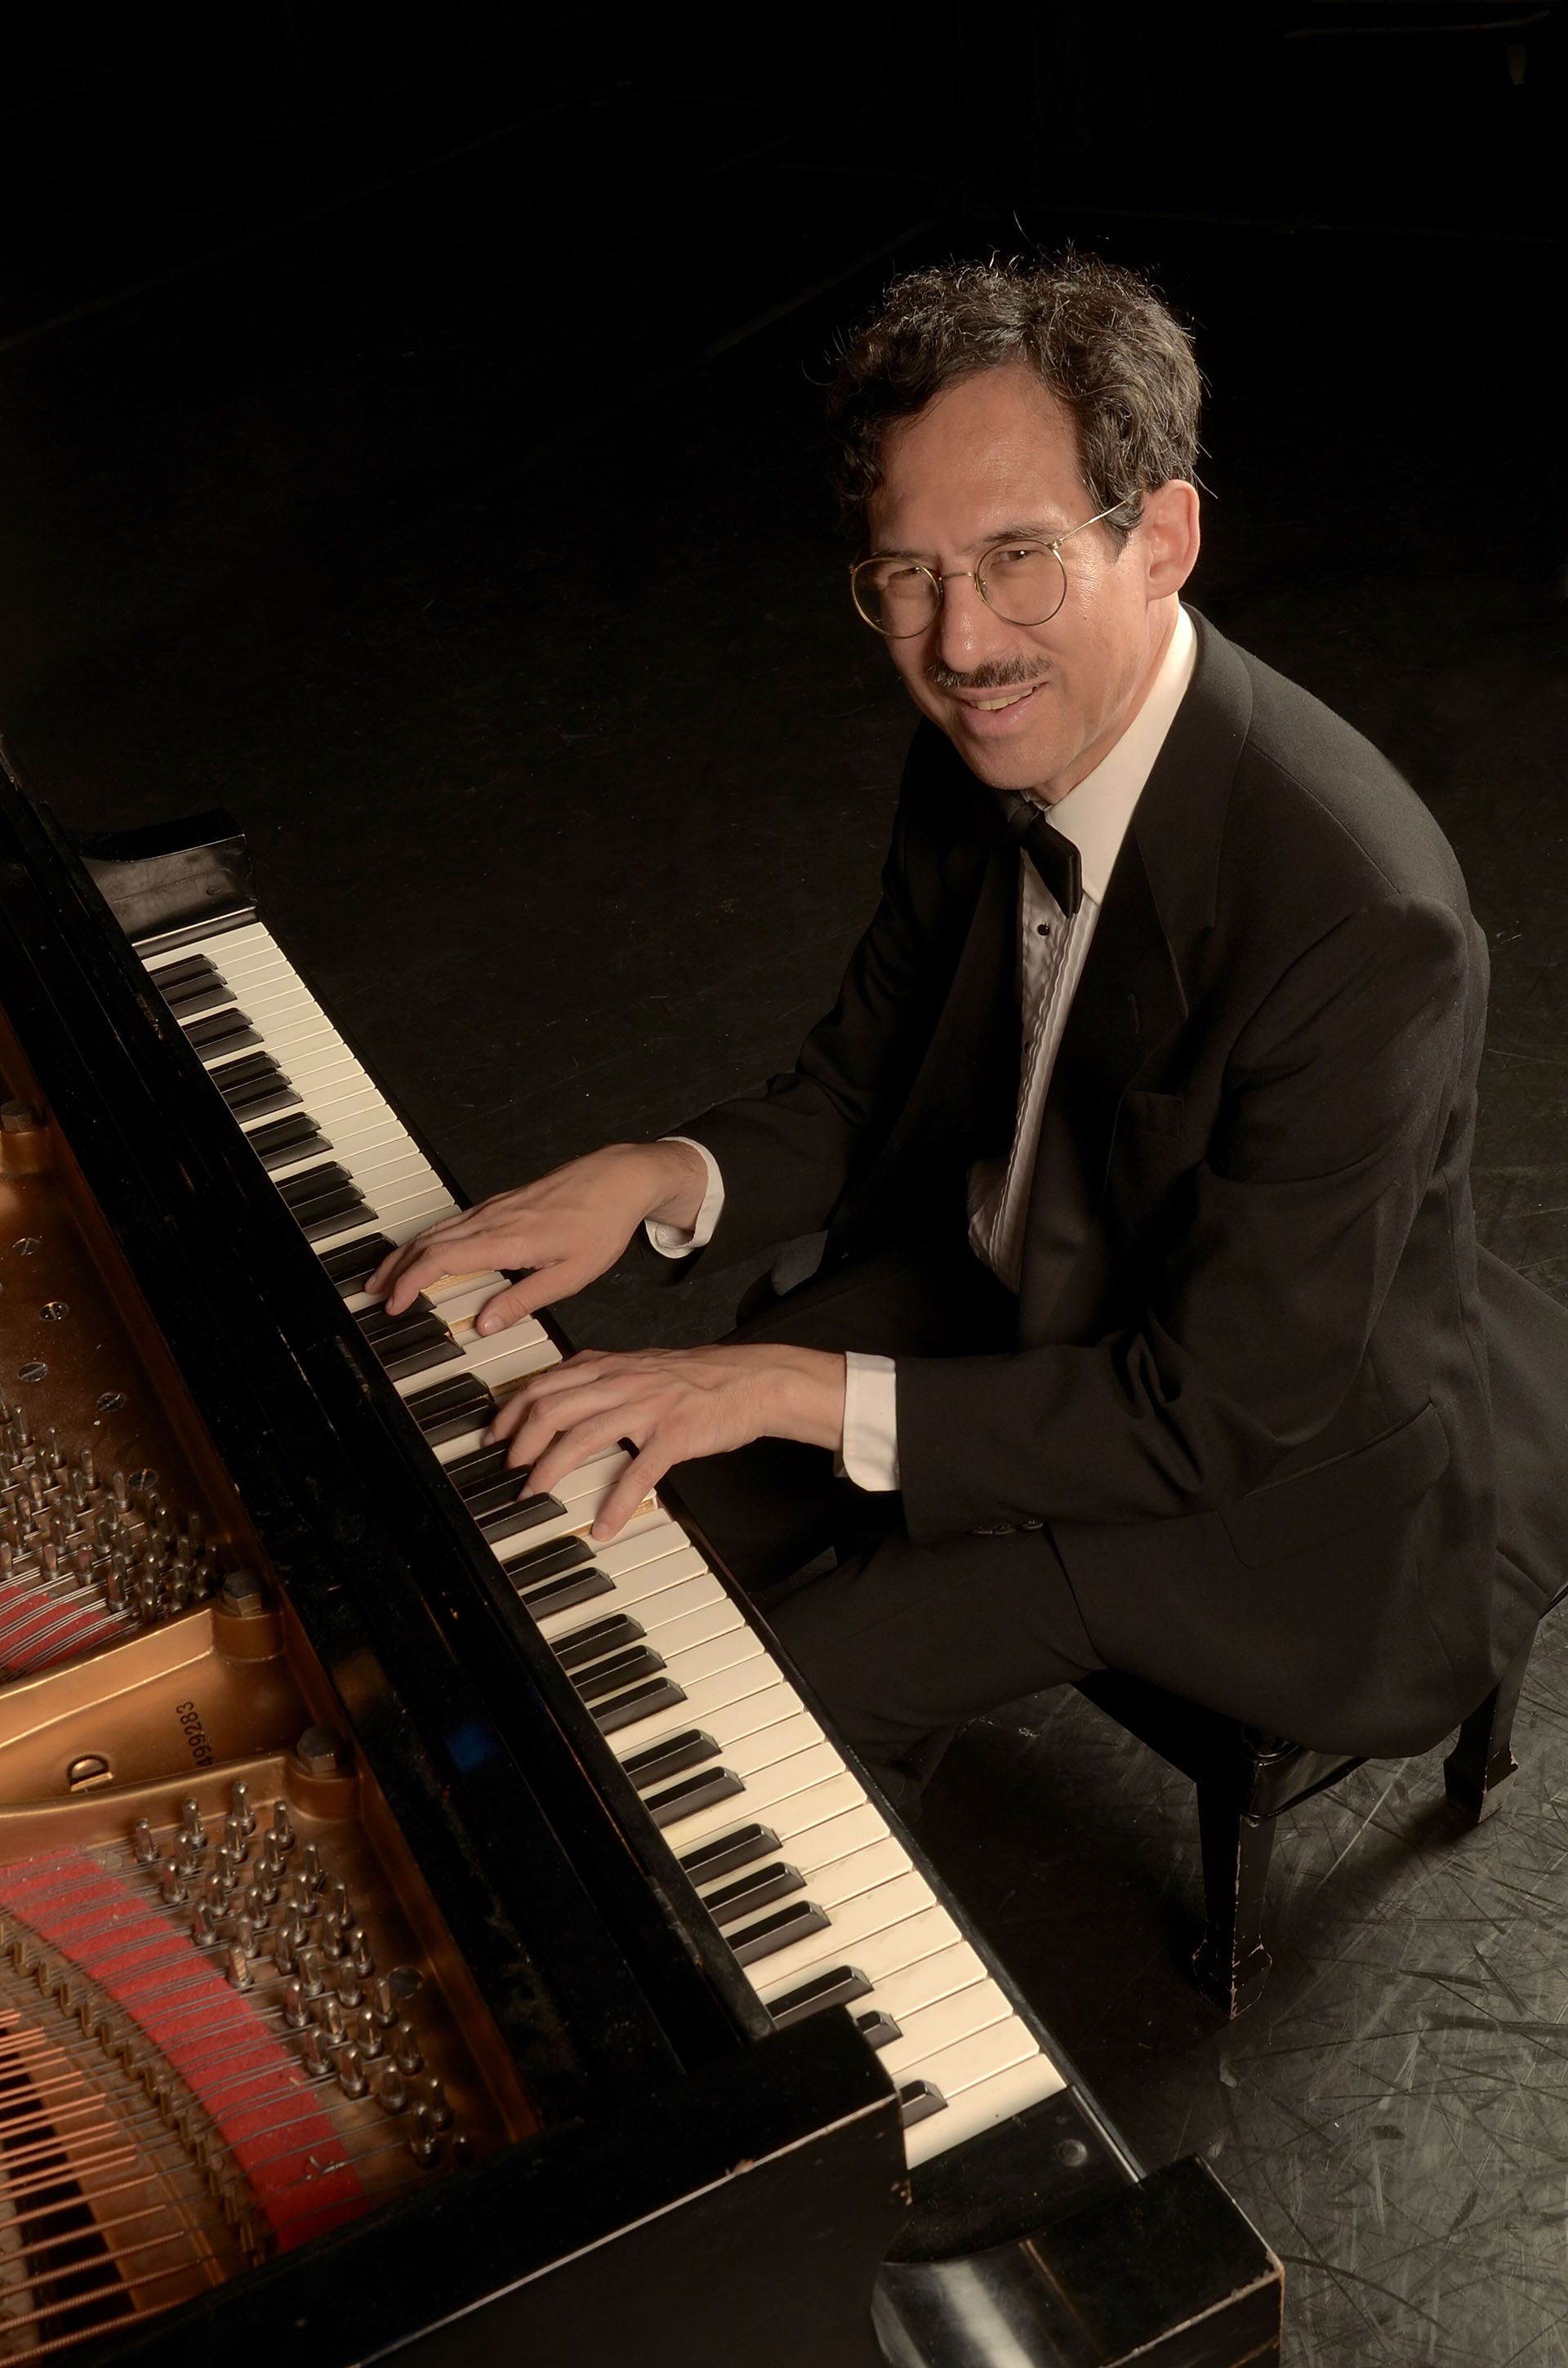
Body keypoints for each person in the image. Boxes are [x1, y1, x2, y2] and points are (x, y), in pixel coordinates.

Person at [368, 252, 1565, 1812]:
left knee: (729, 1741)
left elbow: (1210, 1416)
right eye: (907, 576)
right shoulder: (993, 737)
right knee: (565, 1537)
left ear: (1165, 540)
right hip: (1009, 1300)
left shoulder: (1361, 924)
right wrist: (656, 1174)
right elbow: (869, 1080)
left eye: (1017, 558)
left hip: (1239, 1477)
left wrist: (773, 1386)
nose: (958, 643)